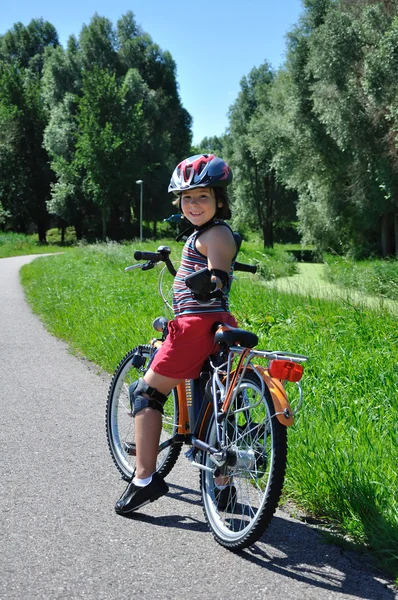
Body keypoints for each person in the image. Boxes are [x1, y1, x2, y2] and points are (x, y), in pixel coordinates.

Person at [115, 154, 238, 515]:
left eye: (202, 196)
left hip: (194, 327)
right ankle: (222, 487)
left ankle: (144, 479)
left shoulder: (215, 233)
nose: (194, 204)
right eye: (187, 198)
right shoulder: (206, 233)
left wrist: (213, 279)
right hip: (215, 325)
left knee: (146, 392)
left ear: (219, 200)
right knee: (212, 407)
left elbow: (219, 271)